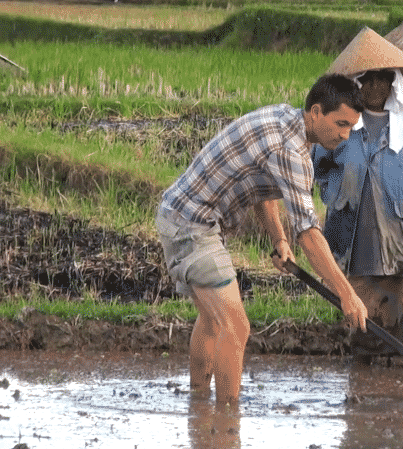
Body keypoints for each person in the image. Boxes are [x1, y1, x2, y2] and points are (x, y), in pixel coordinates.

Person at [156, 74, 369, 408]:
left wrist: (278, 239)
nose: (344, 135)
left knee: (213, 320)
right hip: (192, 225)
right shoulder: (291, 150)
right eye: (340, 124)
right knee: (236, 326)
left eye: (350, 128)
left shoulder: (287, 120)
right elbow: (311, 237)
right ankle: (227, 421)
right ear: (315, 112)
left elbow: (262, 186)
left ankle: (199, 406)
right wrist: (347, 294)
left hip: (181, 213)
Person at [312, 27, 403, 361]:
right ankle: (364, 404)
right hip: (355, 249)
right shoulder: (341, 123)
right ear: (356, 84)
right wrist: (334, 192)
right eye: (368, 79)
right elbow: (314, 168)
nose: (376, 85)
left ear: (393, 83)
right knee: (365, 335)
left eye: (383, 78)